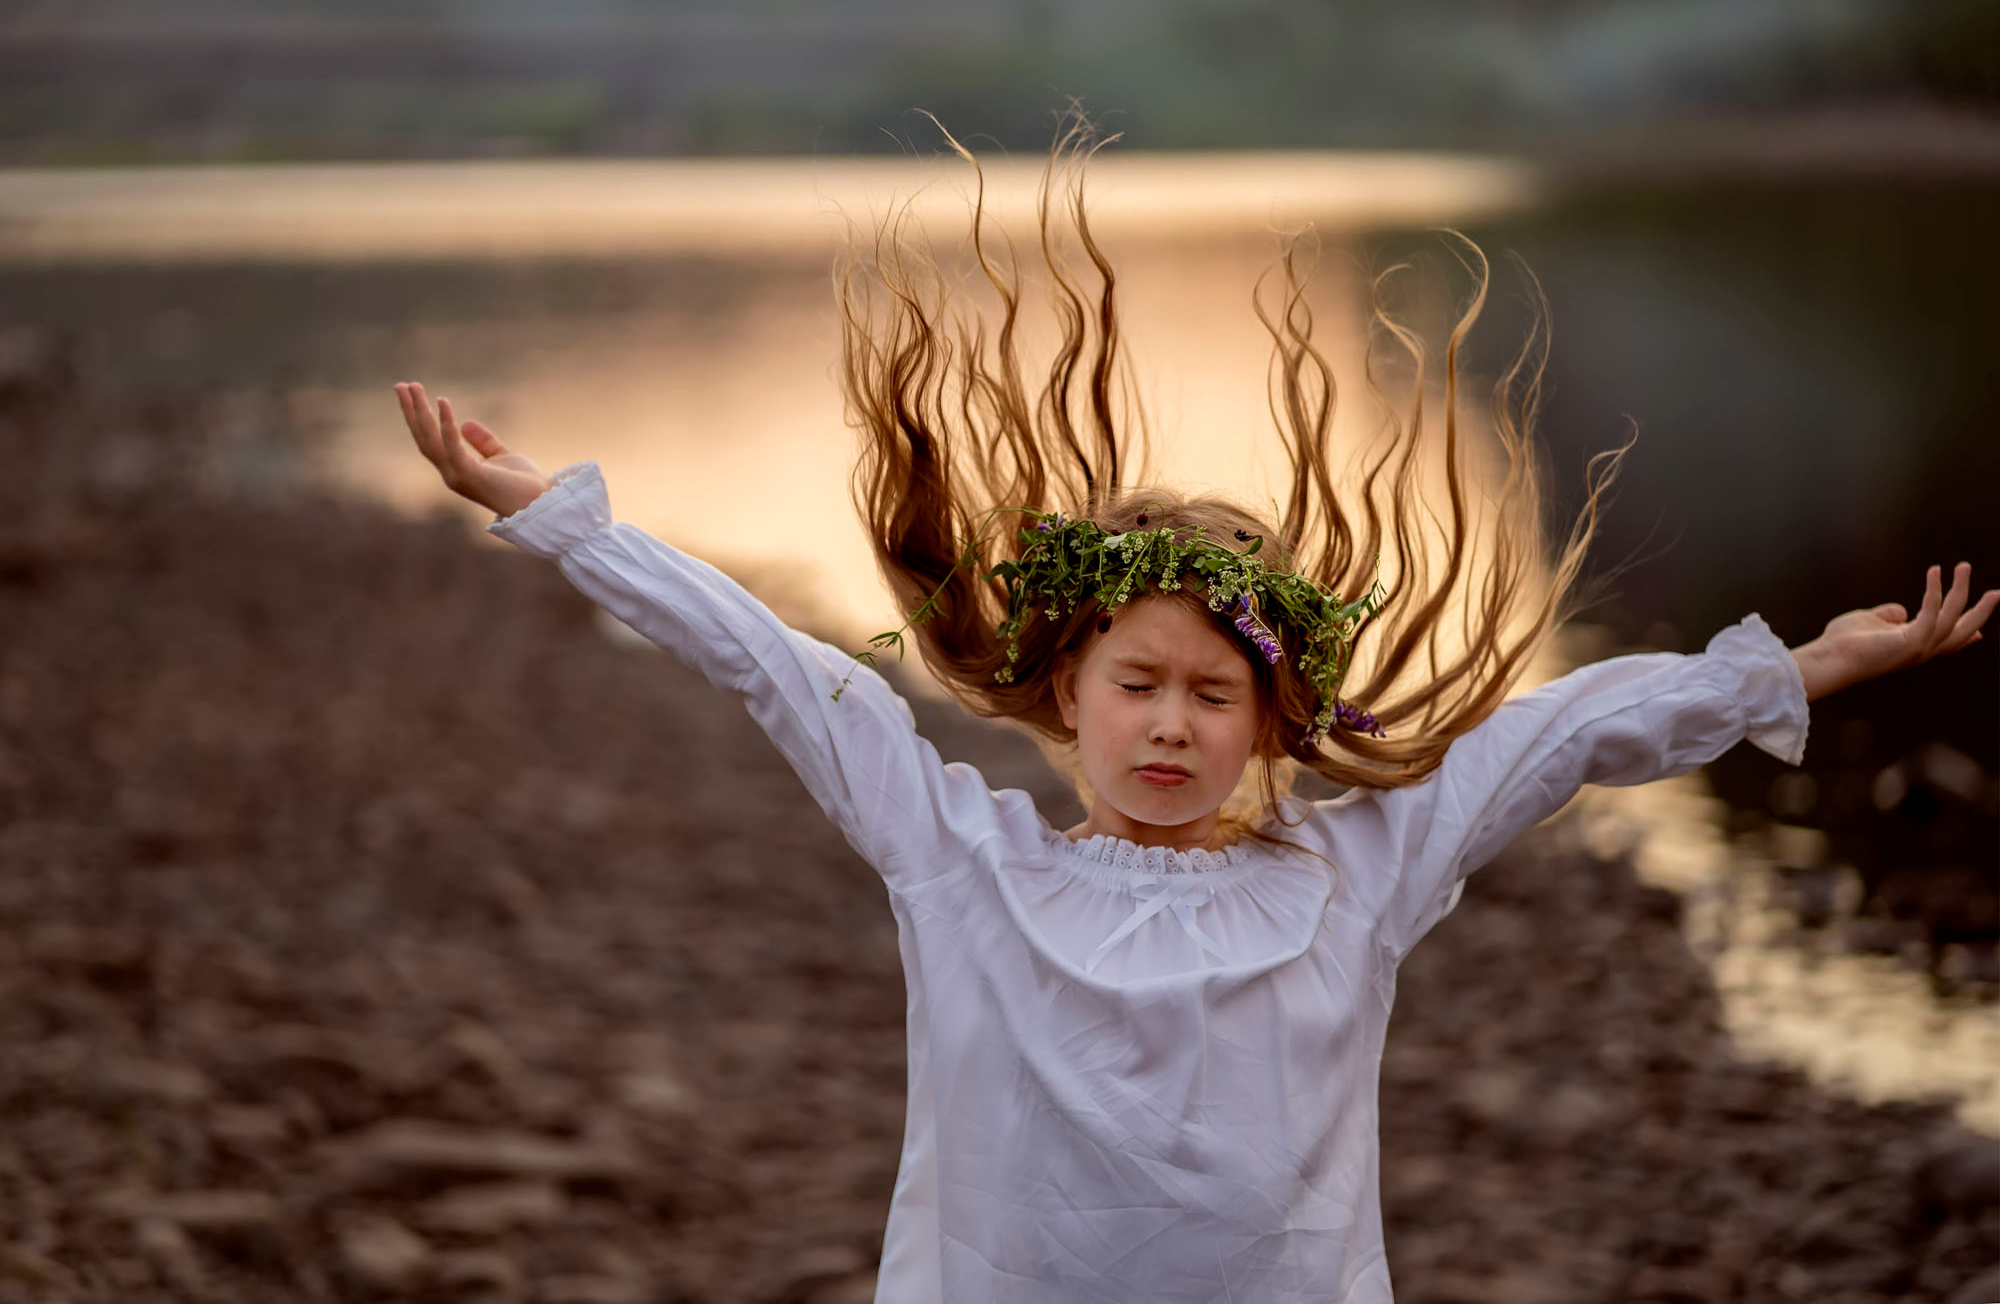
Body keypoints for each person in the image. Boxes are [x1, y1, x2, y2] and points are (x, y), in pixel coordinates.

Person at [391, 107, 1995, 1303]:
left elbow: (1551, 735)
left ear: (1272, 720)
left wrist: (1784, 670)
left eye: (1211, 695)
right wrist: (558, 512)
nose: (1169, 724)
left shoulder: (1356, 876)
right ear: (1066, 693)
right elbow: (779, 666)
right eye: (1136, 684)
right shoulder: (964, 859)